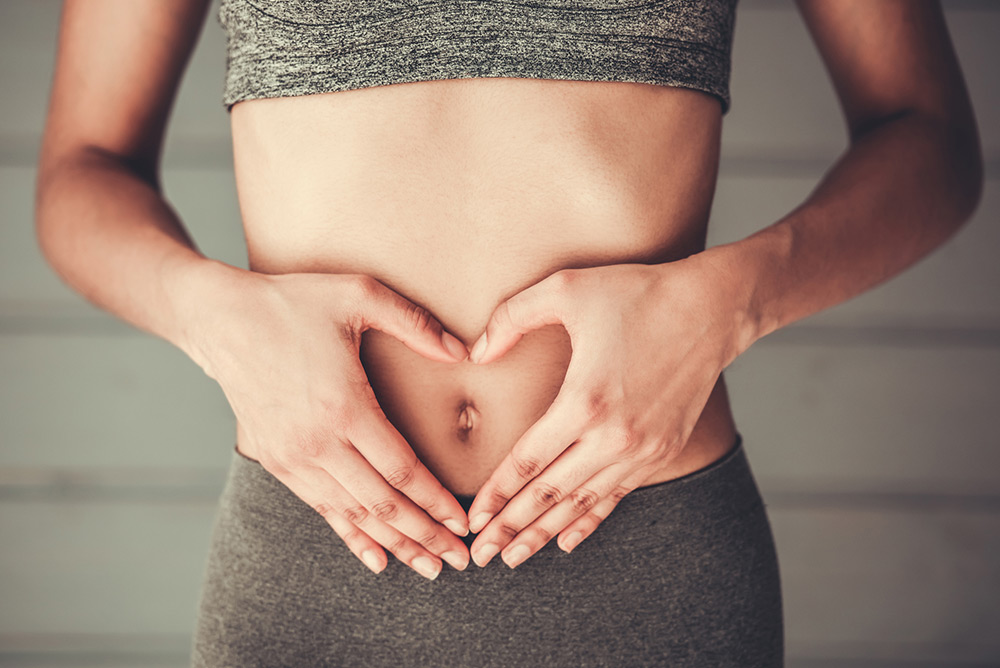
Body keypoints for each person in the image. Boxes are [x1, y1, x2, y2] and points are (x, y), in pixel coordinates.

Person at [34, 0, 982, 666]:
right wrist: (214, 318)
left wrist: (732, 301)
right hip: (318, 557)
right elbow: (84, 167)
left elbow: (928, 138)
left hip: (644, 564)